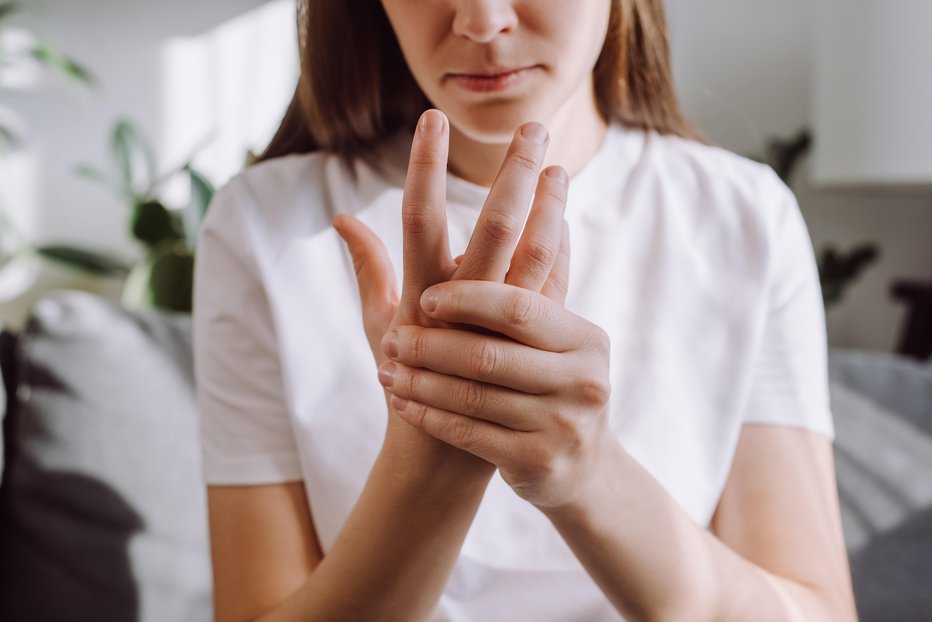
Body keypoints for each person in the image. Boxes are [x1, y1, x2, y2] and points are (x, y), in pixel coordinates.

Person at [192, 1, 859, 620]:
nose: (481, 22)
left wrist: (586, 472)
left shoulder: (744, 219)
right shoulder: (264, 225)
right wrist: (429, 466)